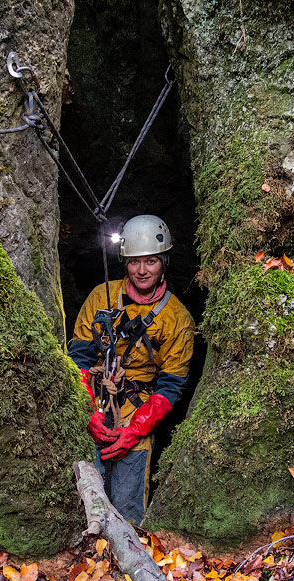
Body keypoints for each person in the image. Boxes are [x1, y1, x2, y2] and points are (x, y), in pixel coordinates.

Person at [68, 214, 194, 524]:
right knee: (80, 498)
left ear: (163, 262)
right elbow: (79, 360)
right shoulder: (101, 297)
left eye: (150, 261)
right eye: (135, 262)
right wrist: (89, 414)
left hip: (137, 412)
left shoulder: (177, 318)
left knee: (127, 509)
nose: (141, 270)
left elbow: (170, 387)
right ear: (125, 262)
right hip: (93, 400)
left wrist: (133, 431)